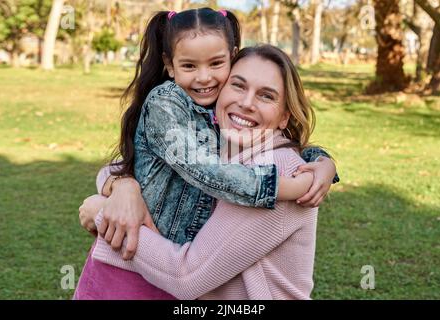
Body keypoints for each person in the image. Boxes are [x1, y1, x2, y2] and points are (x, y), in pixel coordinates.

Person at [74, 7, 337, 300]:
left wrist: (100, 211)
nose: (246, 103)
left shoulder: (279, 168)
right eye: (238, 85)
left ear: (285, 116)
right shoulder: (211, 132)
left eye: (266, 95)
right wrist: (124, 186)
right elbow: (136, 165)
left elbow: (185, 277)